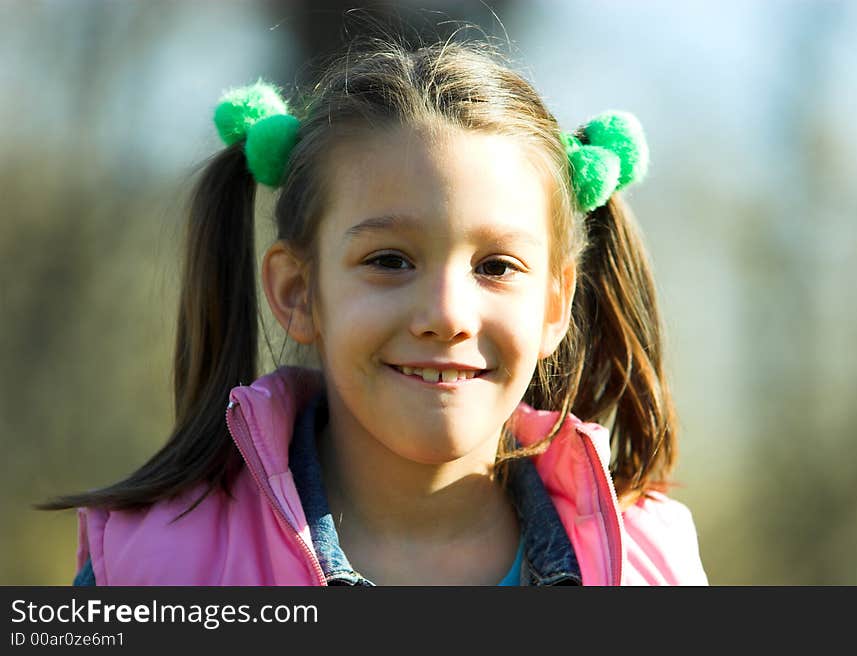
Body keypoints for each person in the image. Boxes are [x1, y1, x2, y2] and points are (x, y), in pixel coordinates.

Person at [44, 35, 708, 586]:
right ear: (298, 292)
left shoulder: (652, 563)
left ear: (555, 305)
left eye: (496, 267)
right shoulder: (151, 572)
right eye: (390, 261)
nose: (447, 315)